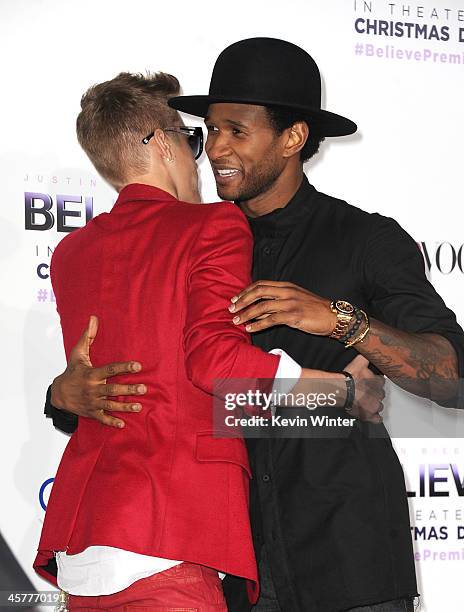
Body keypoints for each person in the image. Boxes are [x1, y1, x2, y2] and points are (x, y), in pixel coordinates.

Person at [44, 39, 464, 611]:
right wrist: (63, 397)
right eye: (209, 130)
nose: (214, 148)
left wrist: (343, 321)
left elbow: (451, 375)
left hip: (348, 558)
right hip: (237, 567)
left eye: (236, 131)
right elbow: (174, 385)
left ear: (292, 138)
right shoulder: (192, 238)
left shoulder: (364, 239)